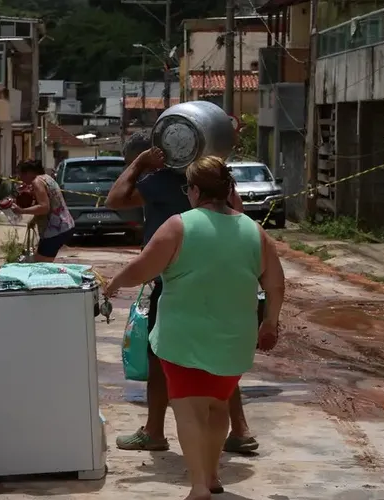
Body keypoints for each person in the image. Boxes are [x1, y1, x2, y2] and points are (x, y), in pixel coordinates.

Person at [103, 156, 284, 500]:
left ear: (196, 190)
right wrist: (270, 321)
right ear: (228, 189)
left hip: (183, 338)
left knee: (189, 409)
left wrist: (112, 286)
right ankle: (212, 475)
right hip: (235, 339)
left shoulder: (178, 226)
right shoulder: (253, 230)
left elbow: (142, 269)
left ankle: (199, 486)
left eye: (188, 187)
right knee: (217, 407)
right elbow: (275, 283)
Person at [12, 159, 75, 262]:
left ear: (29, 172)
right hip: (64, 226)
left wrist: (21, 211)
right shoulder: (47, 178)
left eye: (21, 175)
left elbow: (44, 207)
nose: (21, 179)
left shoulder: (37, 182)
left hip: (54, 230)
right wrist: (34, 220)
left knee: (41, 266)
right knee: (42, 261)